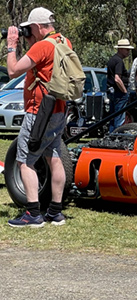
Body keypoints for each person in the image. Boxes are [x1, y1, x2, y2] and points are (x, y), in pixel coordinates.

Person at [6, 7, 71, 227]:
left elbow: (13, 70)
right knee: (54, 156)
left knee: (25, 160)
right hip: (59, 108)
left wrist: (11, 46)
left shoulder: (42, 46)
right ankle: (55, 211)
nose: (29, 31)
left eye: (31, 27)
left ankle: (33, 213)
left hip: (39, 111)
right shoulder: (64, 42)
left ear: (39, 26)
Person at [107, 39, 134, 132]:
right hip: (119, 93)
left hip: (112, 91)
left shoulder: (112, 59)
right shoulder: (119, 61)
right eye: (127, 49)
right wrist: (125, 91)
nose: (128, 52)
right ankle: (117, 136)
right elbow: (117, 78)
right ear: (121, 49)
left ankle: (111, 136)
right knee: (119, 118)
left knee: (113, 117)